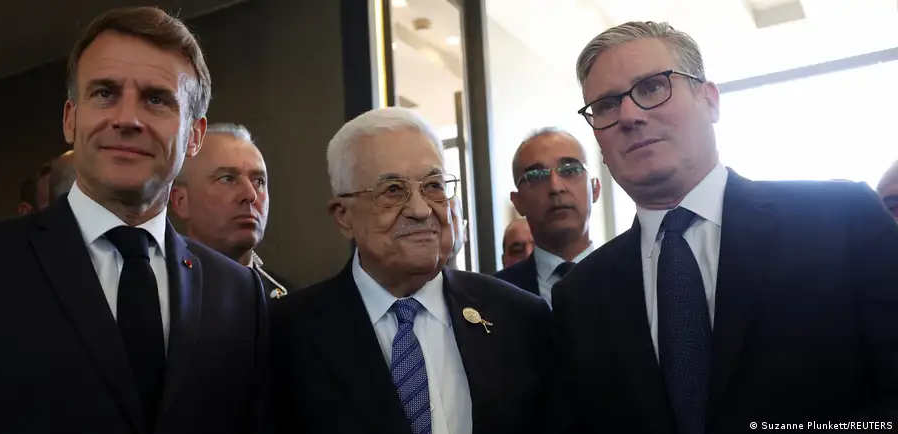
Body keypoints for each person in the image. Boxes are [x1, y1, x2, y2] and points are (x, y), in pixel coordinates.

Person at [0, 7, 269, 434]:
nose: (127, 119)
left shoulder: (239, 294)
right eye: (104, 93)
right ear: (70, 119)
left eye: (156, 99)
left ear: (194, 135)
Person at [550, 21, 898, 433]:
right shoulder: (579, 295)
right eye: (607, 105)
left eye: (652, 87)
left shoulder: (841, 220)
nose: (629, 115)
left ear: (710, 100)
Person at [270, 107, 554, 434]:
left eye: (433, 186)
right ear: (343, 216)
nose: (421, 210)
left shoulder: (519, 317)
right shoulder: (288, 334)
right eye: (393, 190)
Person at [170, 123, 294, 298]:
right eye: (227, 179)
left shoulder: (293, 302)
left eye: (259, 181)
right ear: (181, 201)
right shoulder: (159, 295)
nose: (250, 195)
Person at [494, 128, 599, 303]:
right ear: (518, 202)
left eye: (570, 170)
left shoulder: (634, 273)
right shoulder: (492, 295)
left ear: (595, 189)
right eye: (536, 176)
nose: (555, 187)